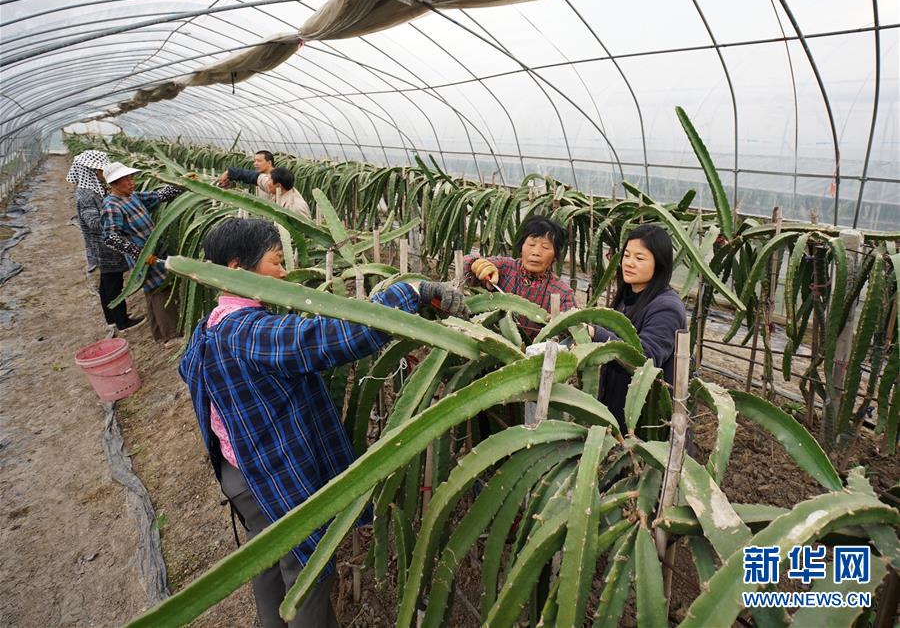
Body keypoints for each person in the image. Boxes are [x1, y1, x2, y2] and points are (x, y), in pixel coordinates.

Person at [179, 218, 468, 628]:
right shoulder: (249, 332)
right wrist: (411, 292)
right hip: (271, 476)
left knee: (264, 561)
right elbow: (331, 337)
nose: (283, 273)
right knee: (305, 573)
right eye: (276, 262)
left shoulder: (209, 326)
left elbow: (188, 370)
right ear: (237, 269)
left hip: (238, 472)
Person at [591, 224, 687, 431]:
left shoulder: (667, 308)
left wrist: (596, 335)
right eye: (626, 255)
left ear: (659, 264)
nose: (629, 263)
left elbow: (645, 358)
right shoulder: (628, 298)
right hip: (620, 406)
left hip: (648, 423)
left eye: (640, 258)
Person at [101, 161, 185, 343]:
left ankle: (159, 333)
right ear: (114, 184)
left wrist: (183, 183)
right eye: (126, 180)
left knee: (153, 292)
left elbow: (159, 196)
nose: (132, 182)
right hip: (144, 258)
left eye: (132, 178)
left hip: (153, 253)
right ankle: (170, 336)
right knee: (161, 289)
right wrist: (139, 253)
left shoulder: (131, 196)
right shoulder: (112, 205)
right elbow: (110, 237)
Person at [68, 150, 145, 332]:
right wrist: (116, 214)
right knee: (113, 284)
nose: (105, 173)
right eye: (102, 170)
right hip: (105, 247)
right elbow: (93, 222)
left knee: (107, 282)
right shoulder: (86, 194)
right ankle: (122, 322)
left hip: (106, 246)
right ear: (92, 172)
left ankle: (112, 319)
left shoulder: (93, 190)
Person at [464, 215, 576, 340]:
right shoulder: (505, 267)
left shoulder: (562, 292)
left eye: (545, 247)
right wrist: (476, 265)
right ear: (521, 247)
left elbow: (574, 328)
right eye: (531, 244)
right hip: (487, 342)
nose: (536, 252)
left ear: (555, 256)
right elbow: (466, 264)